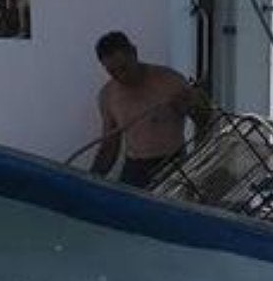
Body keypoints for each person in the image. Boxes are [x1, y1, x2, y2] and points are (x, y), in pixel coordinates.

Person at [86, 30, 212, 188]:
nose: (121, 75)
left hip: (172, 162)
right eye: (112, 72)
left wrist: (200, 160)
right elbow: (110, 146)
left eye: (124, 68)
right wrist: (90, 180)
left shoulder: (170, 81)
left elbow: (206, 120)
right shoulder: (108, 95)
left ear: (134, 53)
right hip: (135, 167)